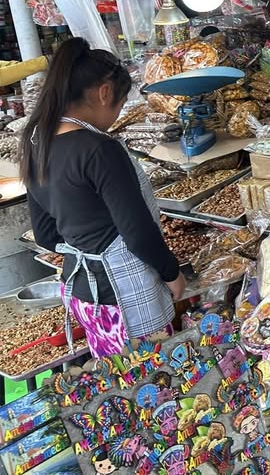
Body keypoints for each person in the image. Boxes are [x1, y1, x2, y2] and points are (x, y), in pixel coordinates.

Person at [21, 38, 185, 358]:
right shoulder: (99, 149)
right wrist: (171, 273)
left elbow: (46, 235)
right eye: (121, 104)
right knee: (160, 385)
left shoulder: (35, 144)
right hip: (127, 296)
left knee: (119, 389)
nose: (117, 114)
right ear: (105, 92)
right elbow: (137, 232)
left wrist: (85, 240)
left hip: (85, 295)